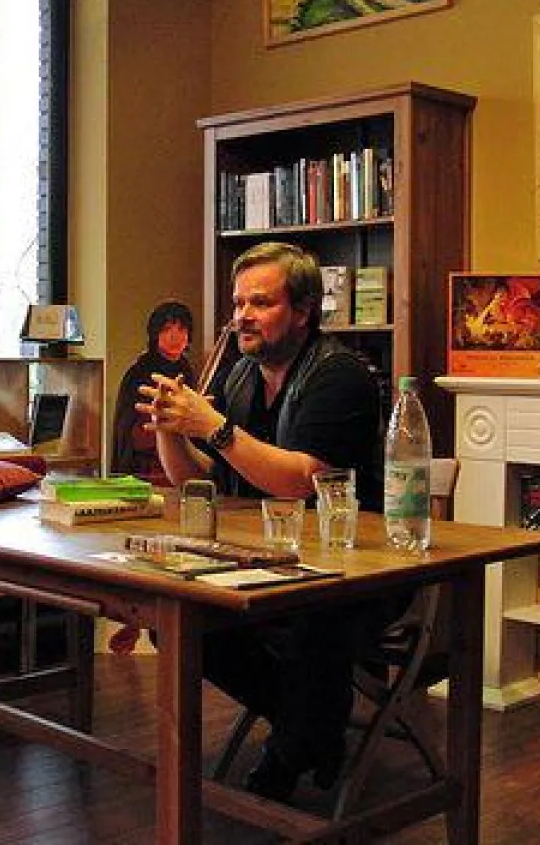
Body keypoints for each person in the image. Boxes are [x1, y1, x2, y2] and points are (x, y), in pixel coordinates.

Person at [136, 241, 390, 802]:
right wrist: (169, 427)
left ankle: (294, 742)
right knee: (175, 619)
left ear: (302, 311)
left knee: (309, 628)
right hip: (272, 560)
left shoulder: (340, 375)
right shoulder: (242, 377)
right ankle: (311, 728)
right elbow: (196, 478)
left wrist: (215, 427)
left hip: (356, 572)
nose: (242, 316)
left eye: (261, 303)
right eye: (238, 303)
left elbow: (301, 480)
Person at [110, 300, 195, 485]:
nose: (175, 336)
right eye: (166, 329)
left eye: (181, 330)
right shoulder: (140, 371)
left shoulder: (186, 369)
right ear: (155, 334)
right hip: (146, 469)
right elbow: (131, 430)